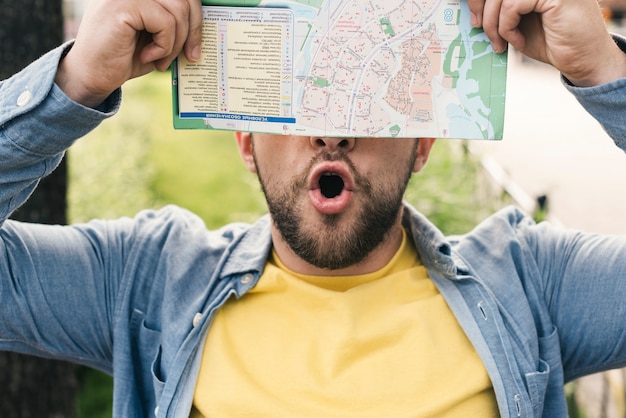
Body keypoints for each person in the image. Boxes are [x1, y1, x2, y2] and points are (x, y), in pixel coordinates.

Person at [0, 0, 625, 416]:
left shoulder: (535, 283)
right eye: (296, 99)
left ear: (424, 141)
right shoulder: (145, 279)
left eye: (370, 95)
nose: (330, 131)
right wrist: (75, 81)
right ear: (245, 142)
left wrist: (603, 67)